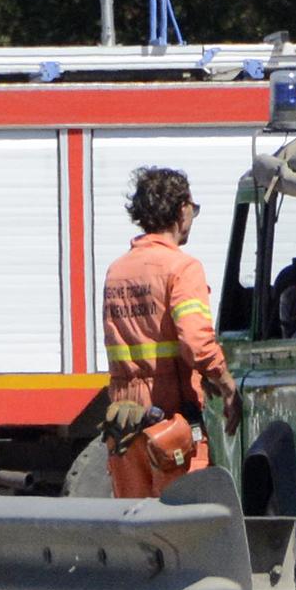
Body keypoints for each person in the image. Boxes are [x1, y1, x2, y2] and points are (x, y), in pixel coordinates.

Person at [102, 166, 241, 497]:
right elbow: (197, 344)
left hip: (123, 424)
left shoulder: (117, 270)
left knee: (136, 528)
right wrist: (226, 384)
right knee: (182, 528)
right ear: (182, 209)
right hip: (170, 422)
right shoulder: (182, 268)